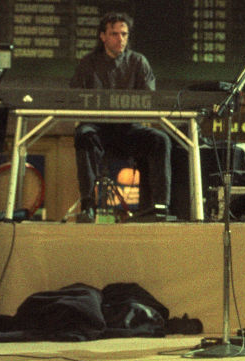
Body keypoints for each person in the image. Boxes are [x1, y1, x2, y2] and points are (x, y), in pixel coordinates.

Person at [71, 13, 171, 222]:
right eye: (114, 34)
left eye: (124, 34)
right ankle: (88, 206)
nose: (120, 39)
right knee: (83, 134)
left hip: (128, 130)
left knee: (160, 140)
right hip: (97, 129)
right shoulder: (88, 63)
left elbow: (149, 101)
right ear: (103, 36)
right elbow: (74, 98)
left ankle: (159, 207)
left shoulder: (138, 62)